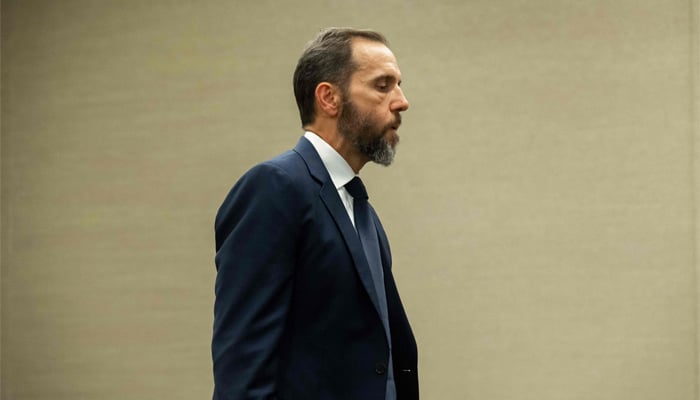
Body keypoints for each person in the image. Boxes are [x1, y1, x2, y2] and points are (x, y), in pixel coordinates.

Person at [212, 27, 418, 400]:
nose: (401, 102)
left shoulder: (362, 211)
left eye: (399, 85)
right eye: (383, 85)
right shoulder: (274, 188)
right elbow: (243, 368)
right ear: (329, 98)